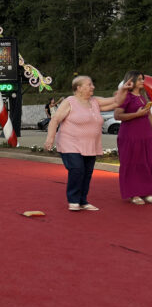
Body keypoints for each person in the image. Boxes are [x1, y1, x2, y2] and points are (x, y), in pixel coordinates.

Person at [45, 75, 130, 211]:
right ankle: (73, 200)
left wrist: (124, 89)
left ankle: (82, 201)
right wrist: (50, 138)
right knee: (77, 169)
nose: (93, 87)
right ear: (78, 88)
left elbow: (116, 101)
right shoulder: (70, 101)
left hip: (91, 145)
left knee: (87, 172)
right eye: (89, 85)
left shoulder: (95, 101)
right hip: (70, 143)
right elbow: (55, 120)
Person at [114, 70, 152, 205]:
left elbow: (147, 115)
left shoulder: (143, 97)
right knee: (132, 164)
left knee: (146, 163)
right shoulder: (126, 96)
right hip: (130, 135)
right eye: (140, 79)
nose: (143, 81)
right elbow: (117, 116)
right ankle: (133, 193)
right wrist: (137, 114)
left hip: (145, 135)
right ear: (132, 81)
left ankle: (146, 192)